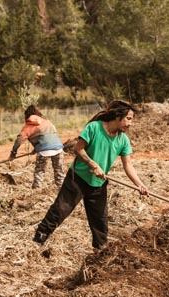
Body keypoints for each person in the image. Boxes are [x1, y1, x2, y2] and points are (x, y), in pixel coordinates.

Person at [33, 101, 149, 249]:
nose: (130, 123)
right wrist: (93, 164)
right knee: (61, 209)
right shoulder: (94, 128)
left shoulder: (123, 140)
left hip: (98, 184)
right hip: (78, 179)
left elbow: (128, 165)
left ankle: (100, 251)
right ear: (118, 116)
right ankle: (39, 239)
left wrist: (140, 185)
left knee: (100, 221)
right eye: (129, 119)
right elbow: (78, 149)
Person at [10, 105, 65, 189]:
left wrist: (13, 153)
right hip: (58, 148)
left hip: (44, 151)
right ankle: (61, 190)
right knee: (59, 171)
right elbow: (49, 137)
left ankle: (36, 191)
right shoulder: (47, 122)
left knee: (39, 171)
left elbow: (19, 139)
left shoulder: (28, 126)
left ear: (27, 116)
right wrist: (37, 148)